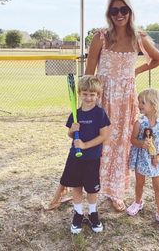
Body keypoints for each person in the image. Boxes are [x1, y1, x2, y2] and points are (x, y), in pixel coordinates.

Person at [84, 0, 159, 211]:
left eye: (123, 10)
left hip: (125, 100)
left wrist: (135, 71)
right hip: (103, 97)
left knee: (121, 145)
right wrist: (87, 103)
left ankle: (116, 192)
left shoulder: (139, 38)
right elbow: (89, 71)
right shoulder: (100, 37)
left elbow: (158, 59)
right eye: (114, 10)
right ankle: (92, 187)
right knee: (99, 141)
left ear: (130, 12)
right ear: (109, 14)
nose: (119, 14)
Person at [53, 75, 110, 234]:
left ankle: (93, 213)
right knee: (76, 186)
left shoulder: (100, 113)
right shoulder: (75, 113)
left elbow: (103, 136)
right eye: (85, 94)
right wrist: (72, 130)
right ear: (79, 94)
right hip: (75, 157)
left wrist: (85, 145)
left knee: (92, 189)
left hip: (92, 158)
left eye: (92, 94)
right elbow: (71, 135)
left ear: (98, 95)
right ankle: (78, 214)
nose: (89, 97)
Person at [126, 88, 159, 229]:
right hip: (141, 158)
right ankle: (138, 202)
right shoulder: (139, 123)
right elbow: (133, 140)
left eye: (143, 102)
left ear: (153, 105)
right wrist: (141, 144)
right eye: (139, 102)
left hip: (156, 160)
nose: (139, 105)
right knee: (139, 183)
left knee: (158, 186)